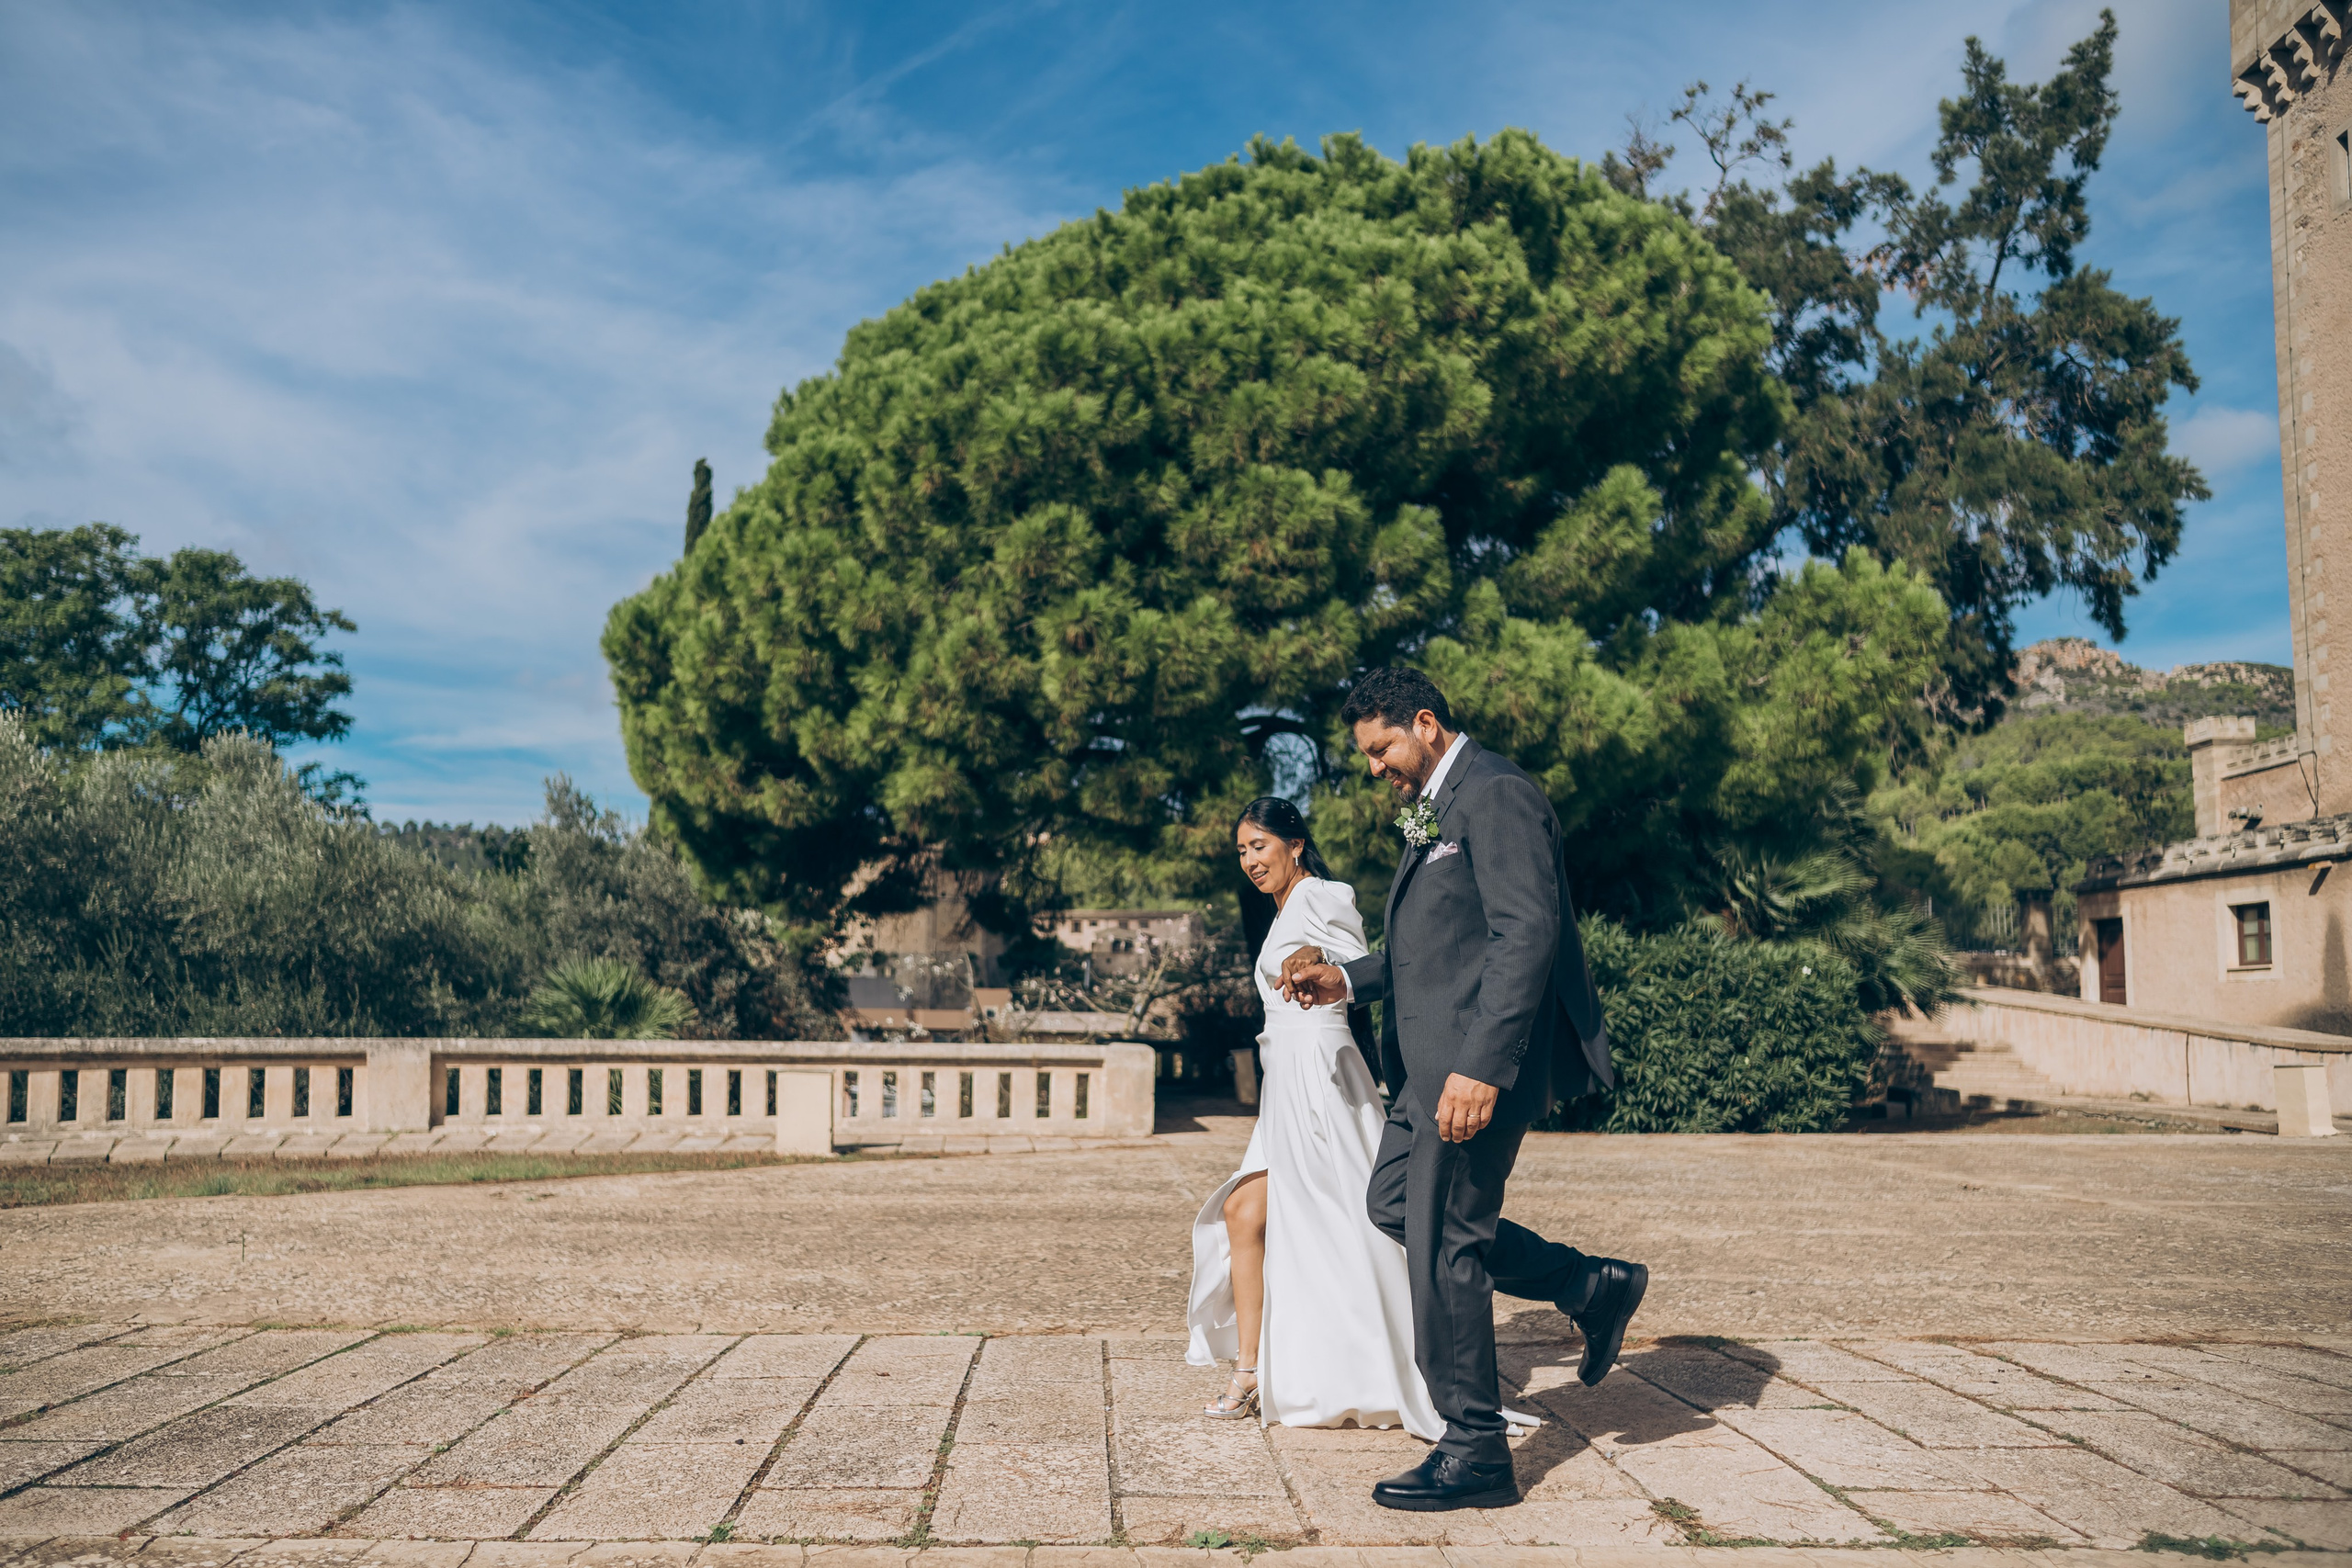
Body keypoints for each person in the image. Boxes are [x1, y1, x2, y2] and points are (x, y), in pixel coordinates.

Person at [1279, 666, 1648, 1514]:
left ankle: (1475, 1446)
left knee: (1448, 1238)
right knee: (1394, 1205)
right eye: (1366, 756)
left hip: (1473, 1069)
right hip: (1428, 1070)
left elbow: (1527, 934)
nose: (1375, 767)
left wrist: (1483, 1066)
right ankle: (1589, 1285)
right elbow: (1435, 947)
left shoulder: (1498, 793)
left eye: (1381, 749)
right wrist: (1349, 979)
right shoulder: (1437, 802)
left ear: (1424, 722)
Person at [1185, 796, 1442, 1439]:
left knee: (1349, 1219)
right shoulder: (1280, 908)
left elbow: (1354, 963)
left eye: (1260, 846)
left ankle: (1385, 1360)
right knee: (1244, 1213)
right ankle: (1252, 1370)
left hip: (1322, 1080)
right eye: (1241, 850)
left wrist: (1312, 957)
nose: (1250, 860)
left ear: (1295, 844)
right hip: (1285, 1082)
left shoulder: (1323, 894)